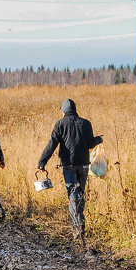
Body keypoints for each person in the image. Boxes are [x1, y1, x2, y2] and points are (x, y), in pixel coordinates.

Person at [37, 98, 102, 243]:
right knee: (80, 194)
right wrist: (99, 139)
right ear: (75, 109)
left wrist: (42, 163)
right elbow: (91, 144)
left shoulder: (60, 124)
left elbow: (52, 144)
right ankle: (80, 223)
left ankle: (78, 227)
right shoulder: (86, 123)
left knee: (73, 194)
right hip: (84, 165)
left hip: (68, 165)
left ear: (63, 111)